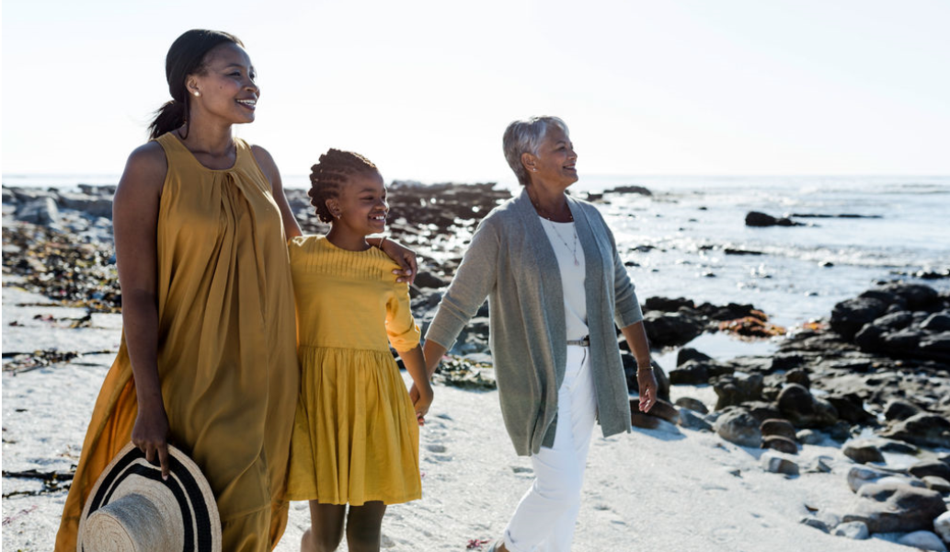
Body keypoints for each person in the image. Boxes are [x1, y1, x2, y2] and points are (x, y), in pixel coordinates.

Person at [54, 30, 417, 552]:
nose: (251, 86)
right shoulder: (150, 165)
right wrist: (150, 403)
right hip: (190, 372)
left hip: (269, 374)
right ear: (193, 83)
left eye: (253, 76)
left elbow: (301, 254)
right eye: (234, 74)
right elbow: (138, 295)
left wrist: (376, 244)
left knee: (249, 515)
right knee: (192, 514)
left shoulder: (260, 163)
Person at [419, 116, 658, 552]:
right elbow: (457, 304)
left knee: (571, 488)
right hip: (535, 373)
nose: (573, 154)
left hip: (591, 369)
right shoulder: (502, 226)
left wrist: (643, 364)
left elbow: (622, 293)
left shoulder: (591, 218)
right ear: (529, 161)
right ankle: (504, 549)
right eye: (560, 147)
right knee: (558, 488)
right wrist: (422, 377)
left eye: (571, 145)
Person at [285, 149, 432, 552]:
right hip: (321, 402)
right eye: (368, 197)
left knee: (366, 536)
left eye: (383, 196)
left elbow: (404, 335)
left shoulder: (388, 267)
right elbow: (273, 206)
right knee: (326, 537)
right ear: (335, 206)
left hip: (377, 400)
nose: (381, 204)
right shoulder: (298, 256)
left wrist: (425, 387)